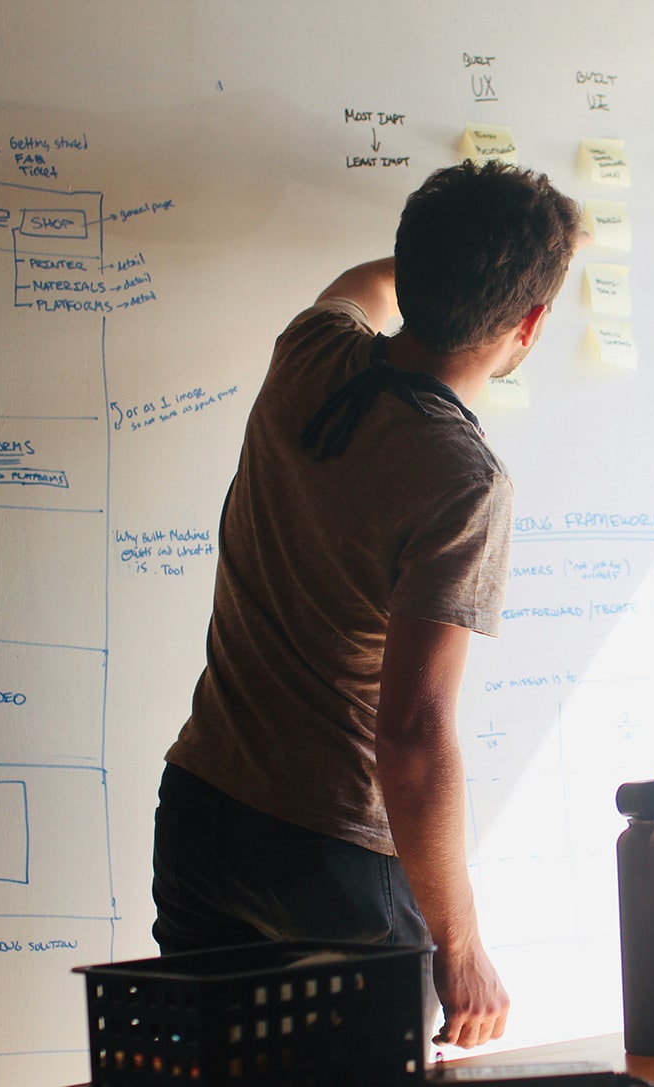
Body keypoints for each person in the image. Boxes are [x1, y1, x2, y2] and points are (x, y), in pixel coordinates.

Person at [151, 160, 584, 1049]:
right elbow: (415, 734)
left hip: (202, 811)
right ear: (529, 325)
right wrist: (460, 943)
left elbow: (365, 285)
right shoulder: (463, 482)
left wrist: (432, 262)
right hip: (330, 856)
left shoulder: (310, 351)